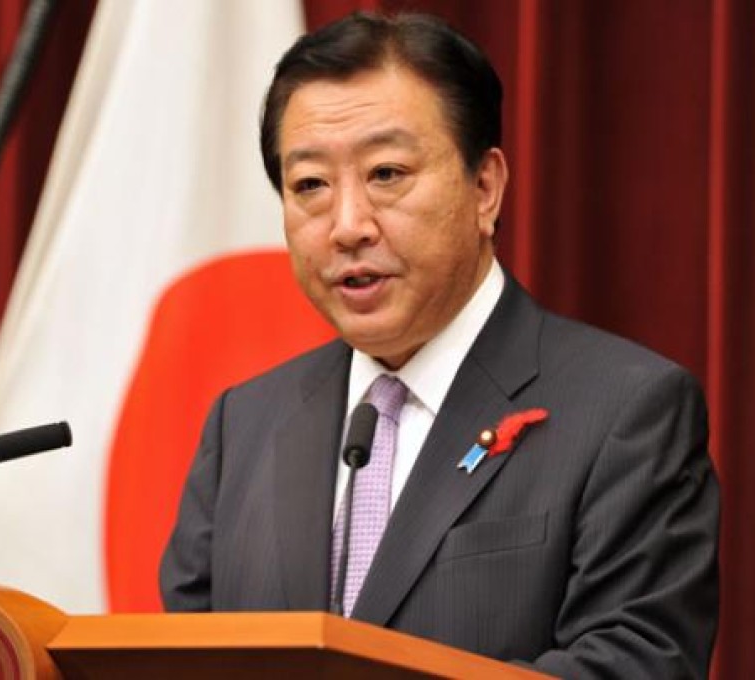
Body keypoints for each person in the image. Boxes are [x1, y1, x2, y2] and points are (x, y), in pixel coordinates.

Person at [160, 11, 719, 678]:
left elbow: (634, 662)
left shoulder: (626, 410)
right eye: (310, 184)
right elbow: (180, 660)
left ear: (485, 188)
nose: (347, 226)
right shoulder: (246, 422)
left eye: (387, 174)